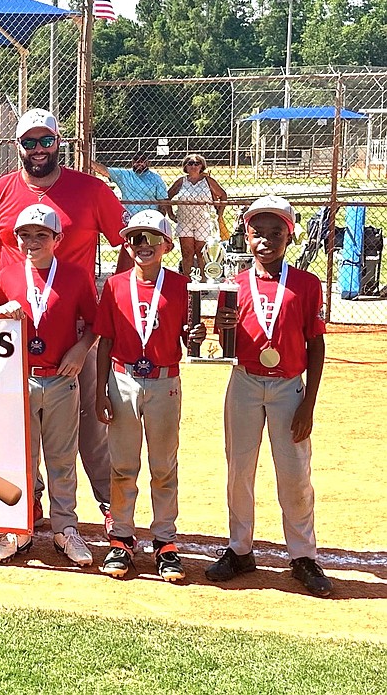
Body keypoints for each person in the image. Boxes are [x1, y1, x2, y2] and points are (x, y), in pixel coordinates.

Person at [0, 107, 130, 537]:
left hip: (74, 327)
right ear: (17, 147)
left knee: (91, 419)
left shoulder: (89, 190)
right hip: (17, 332)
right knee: (22, 421)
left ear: (59, 143)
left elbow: (125, 240)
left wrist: (110, 297)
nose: (38, 150)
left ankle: (108, 502)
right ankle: (31, 500)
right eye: (29, 143)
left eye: (45, 141)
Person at [206, 195, 331, 597]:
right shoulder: (235, 285)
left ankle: (302, 555)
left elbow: (316, 344)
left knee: (294, 473)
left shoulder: (307, 284)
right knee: (239, 470)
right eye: (258, 232)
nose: (266, 240)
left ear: (289, 236)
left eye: (276, 232)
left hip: (288, 386)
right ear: (246, 234)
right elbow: (223, 345)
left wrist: (308, 402)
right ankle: (240, 549)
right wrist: (217, 330)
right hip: (244, 382)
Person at [94, 210, 204, 581]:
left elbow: (188, 336)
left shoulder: (180, 286)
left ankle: (164, 540)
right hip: (122, 378)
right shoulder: (114, 285)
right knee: (123, 464)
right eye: (136, 239)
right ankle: (122, 537)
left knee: (163, 464)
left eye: (152, 239)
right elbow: (105, 340)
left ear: (167, 245)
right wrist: (99, 392)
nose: (143, 245)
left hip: (164, 380)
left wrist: (196, 337)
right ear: (127, 244)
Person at [0, 204, 99, 566]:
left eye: (41, 235)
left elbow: (94, 324)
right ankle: (20, 527)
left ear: (57, 239)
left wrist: (81, 350)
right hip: (19, 381)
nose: (32, 242)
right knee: (22, 457)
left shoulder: (76, 276)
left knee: (62, 459)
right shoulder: (5, 275)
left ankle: (65, 529)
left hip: (61, 379)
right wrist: (1, 314)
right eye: (25, 235)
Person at [167, 154, 227, 277]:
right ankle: (186, 280)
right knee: (187, 252)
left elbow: (223, 195)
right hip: (185, 220)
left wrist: (219, 214)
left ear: (202, 166)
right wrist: (171, 214)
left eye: (197, 163)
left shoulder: (208, 181)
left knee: (202, 252)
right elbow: (168, 196)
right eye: (190, 163)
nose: (193, 166)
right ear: (185, 167)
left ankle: (204, 280)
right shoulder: (181, 181)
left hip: (203, 220)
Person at [93, 152, 168, 217]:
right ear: (132, 162)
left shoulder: (156, 178)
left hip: (150, 216)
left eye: (142, 161)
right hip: (130, 216)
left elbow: (162, 202)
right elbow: (104, 170)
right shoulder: (124, 175)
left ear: (148, 162)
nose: (139, 163)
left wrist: (158, 218)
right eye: (136, 160)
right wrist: (87, 159)